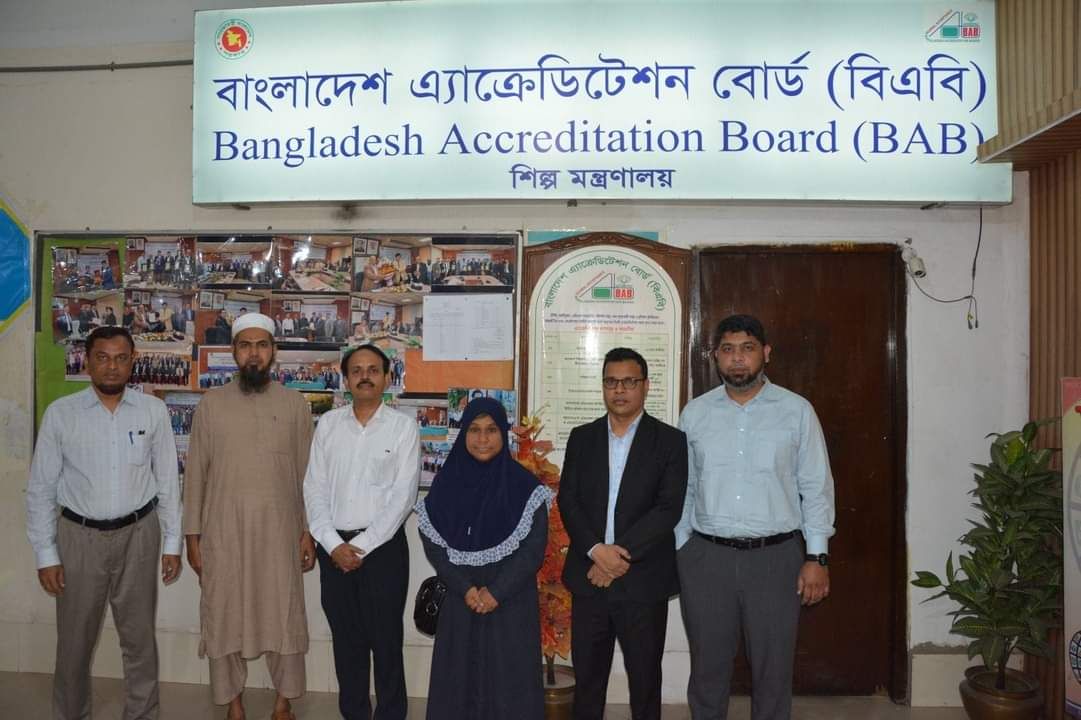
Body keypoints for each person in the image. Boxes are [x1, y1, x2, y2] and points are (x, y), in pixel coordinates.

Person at [676, 314, 835, 720]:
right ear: (715, 356)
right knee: (707, 669)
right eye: (728, 350)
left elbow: (816, 487)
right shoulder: (695, 414)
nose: (737, 359)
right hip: (707, 559)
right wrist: (683, 550)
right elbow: (684, 487)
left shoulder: (796, 411)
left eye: (747, 349)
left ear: (765, 353)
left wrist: (816, 557)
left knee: (773, 670)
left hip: (775, 559)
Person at [26, 325, 182, 720]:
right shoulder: (61, 414)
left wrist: (172, 544)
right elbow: (41, 488)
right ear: (88, 361)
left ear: (132, 362)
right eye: (102, 357)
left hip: (139, 536)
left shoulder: (152, 411)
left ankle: (142, 714)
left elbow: (168, 481)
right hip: (78, 538)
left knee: (139, 641)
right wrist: (46, 554)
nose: (112, 367)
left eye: (121, 358)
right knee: (74, 643)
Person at [184, 312, 316, 720]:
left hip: (280, 534)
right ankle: (234, 703)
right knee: (223, 614)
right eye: (245, 346)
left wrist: (308, 532)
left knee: (284, 615)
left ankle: (283, 702)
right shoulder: (211, 405)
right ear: (234, 352)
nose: (253, 354)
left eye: (261, 345)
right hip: (223, 534)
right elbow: (195, 474)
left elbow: (308, 476)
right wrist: (192, 536)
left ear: (273, 351)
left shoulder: (294, 405)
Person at [558, 347, 688, 720]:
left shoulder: (670, 441)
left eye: (629, 381)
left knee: (645, 682)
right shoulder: (582, 437)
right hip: (589, 579)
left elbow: (668, 509)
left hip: (643, 581)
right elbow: (569, 500)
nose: (619, 390)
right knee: (588, 681)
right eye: (611, 382)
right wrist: (596, 550)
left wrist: (616, 556)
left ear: (646, 386)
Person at [415, 397, 553, 720]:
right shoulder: (445, 485)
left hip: (511, 603)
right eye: (474, 429)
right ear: (463, 433)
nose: (482, 438)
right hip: (460, 601)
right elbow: (434, 545)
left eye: (491, 430)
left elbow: (533, 550)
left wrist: (496, 592)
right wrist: (465, 588)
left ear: (503, 434)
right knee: (458, 684)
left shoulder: (525, 488)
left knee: (509, 687)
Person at [304, 344, 419, 720]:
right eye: (356, 370)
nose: (365, 376)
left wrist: (361, 546)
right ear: (346, 379)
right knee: (346, 643)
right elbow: (314, 488)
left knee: (386, 644)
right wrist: (333, 544)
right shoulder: (328, 425)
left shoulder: (403, 428)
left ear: (386, 377)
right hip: (334, 549)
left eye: (373, 370)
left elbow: (403, 497)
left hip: (383, 552)